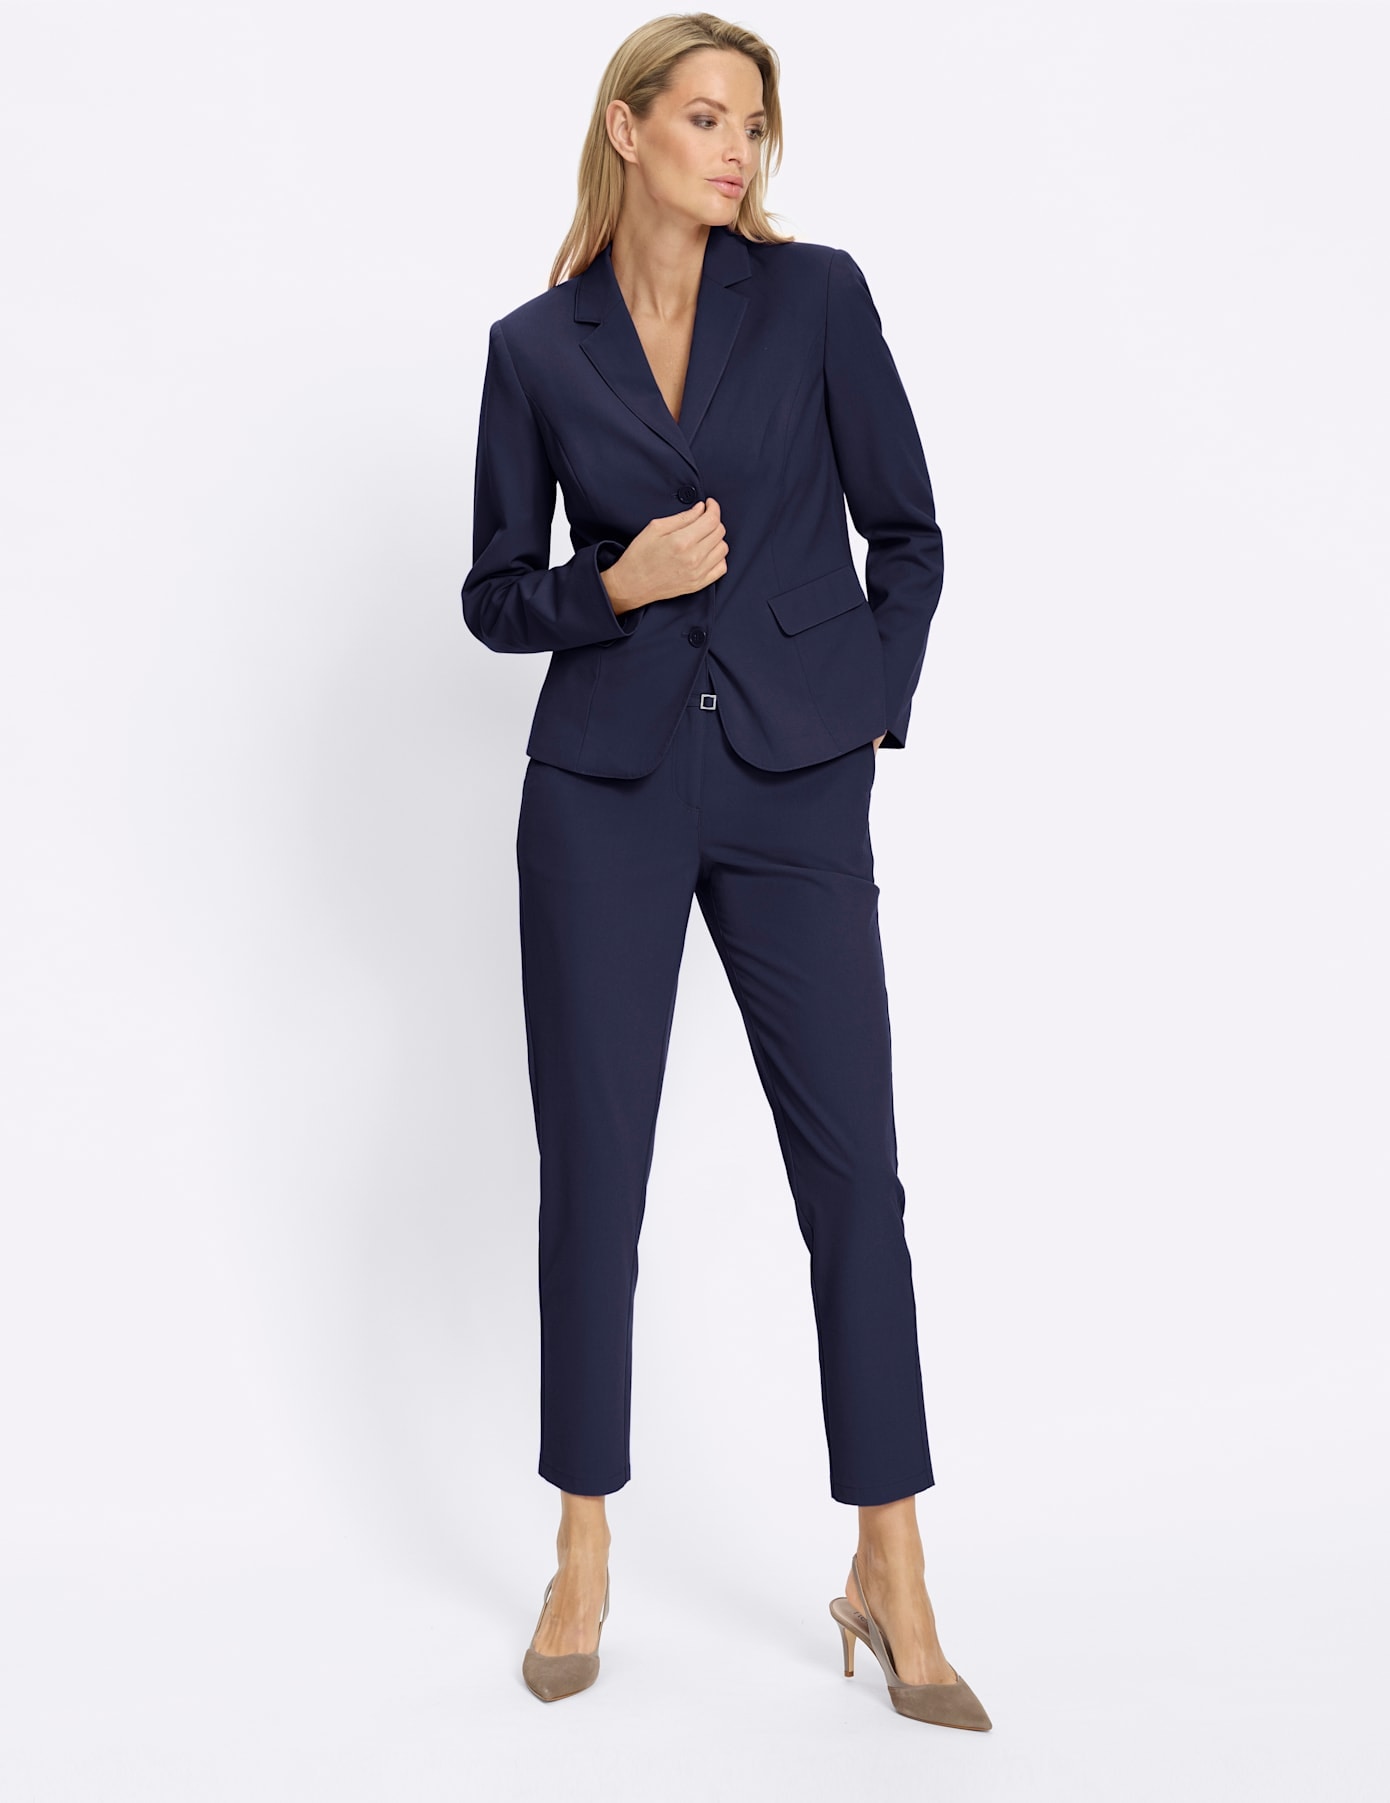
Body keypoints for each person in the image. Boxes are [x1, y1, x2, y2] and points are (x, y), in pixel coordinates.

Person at [460, 14, 991, 1729]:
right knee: (593, 1176)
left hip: (789, 785)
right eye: (703, 118)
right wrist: (605, 589)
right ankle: (582, 1544)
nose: (734, 150)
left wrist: (861, 708)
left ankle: (891, 1563)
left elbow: (907, 530)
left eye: (751, 125)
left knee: (855, 1180)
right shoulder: (535, 346)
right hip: (602, 793)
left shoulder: (815, 297)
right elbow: (493, 593)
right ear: (626, 130)